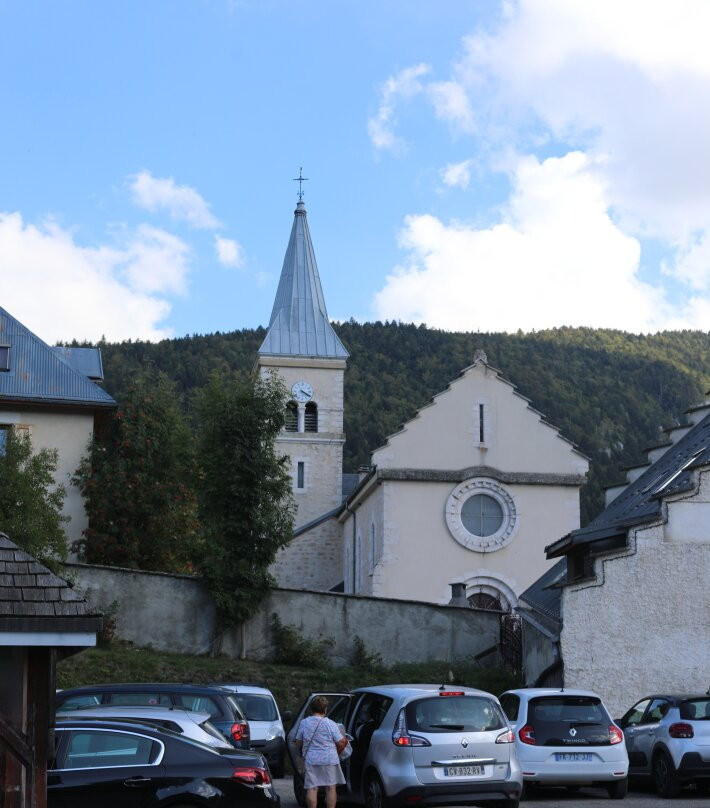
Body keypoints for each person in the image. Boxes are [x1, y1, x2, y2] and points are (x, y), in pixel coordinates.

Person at [295, 696, 346, 808]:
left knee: (312, 788)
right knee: (330, 787)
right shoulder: (331, 724)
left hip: (311, 759)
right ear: (325, 709)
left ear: (312, 709)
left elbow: (298, 743)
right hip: (329, 759)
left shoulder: (304, 723)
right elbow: (341, 742)